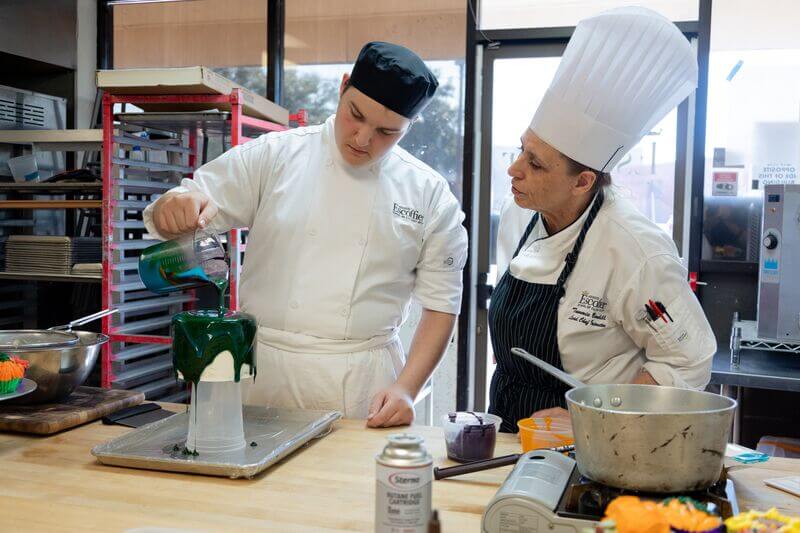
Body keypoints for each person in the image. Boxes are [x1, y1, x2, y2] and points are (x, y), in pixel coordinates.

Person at [143, 42, 467, 427]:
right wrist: (175, 205)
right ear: (343, 87)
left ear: (409, 127)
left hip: (364, 384)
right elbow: (180, 207)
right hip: (264, 372)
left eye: (386, 132)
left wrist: (407, 388)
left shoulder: (429, 195)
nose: (363, 139)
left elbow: (441, 306)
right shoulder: (275, 155)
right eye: (355, 115)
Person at [489, 7, 716, 433]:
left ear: (583, 182)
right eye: (522, 150)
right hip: (510, 430)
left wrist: (598, 414)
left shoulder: (634, 249)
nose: (514, 170)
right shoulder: (518, 217)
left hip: (596, 445)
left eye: (535, 164)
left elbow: (689, 360)